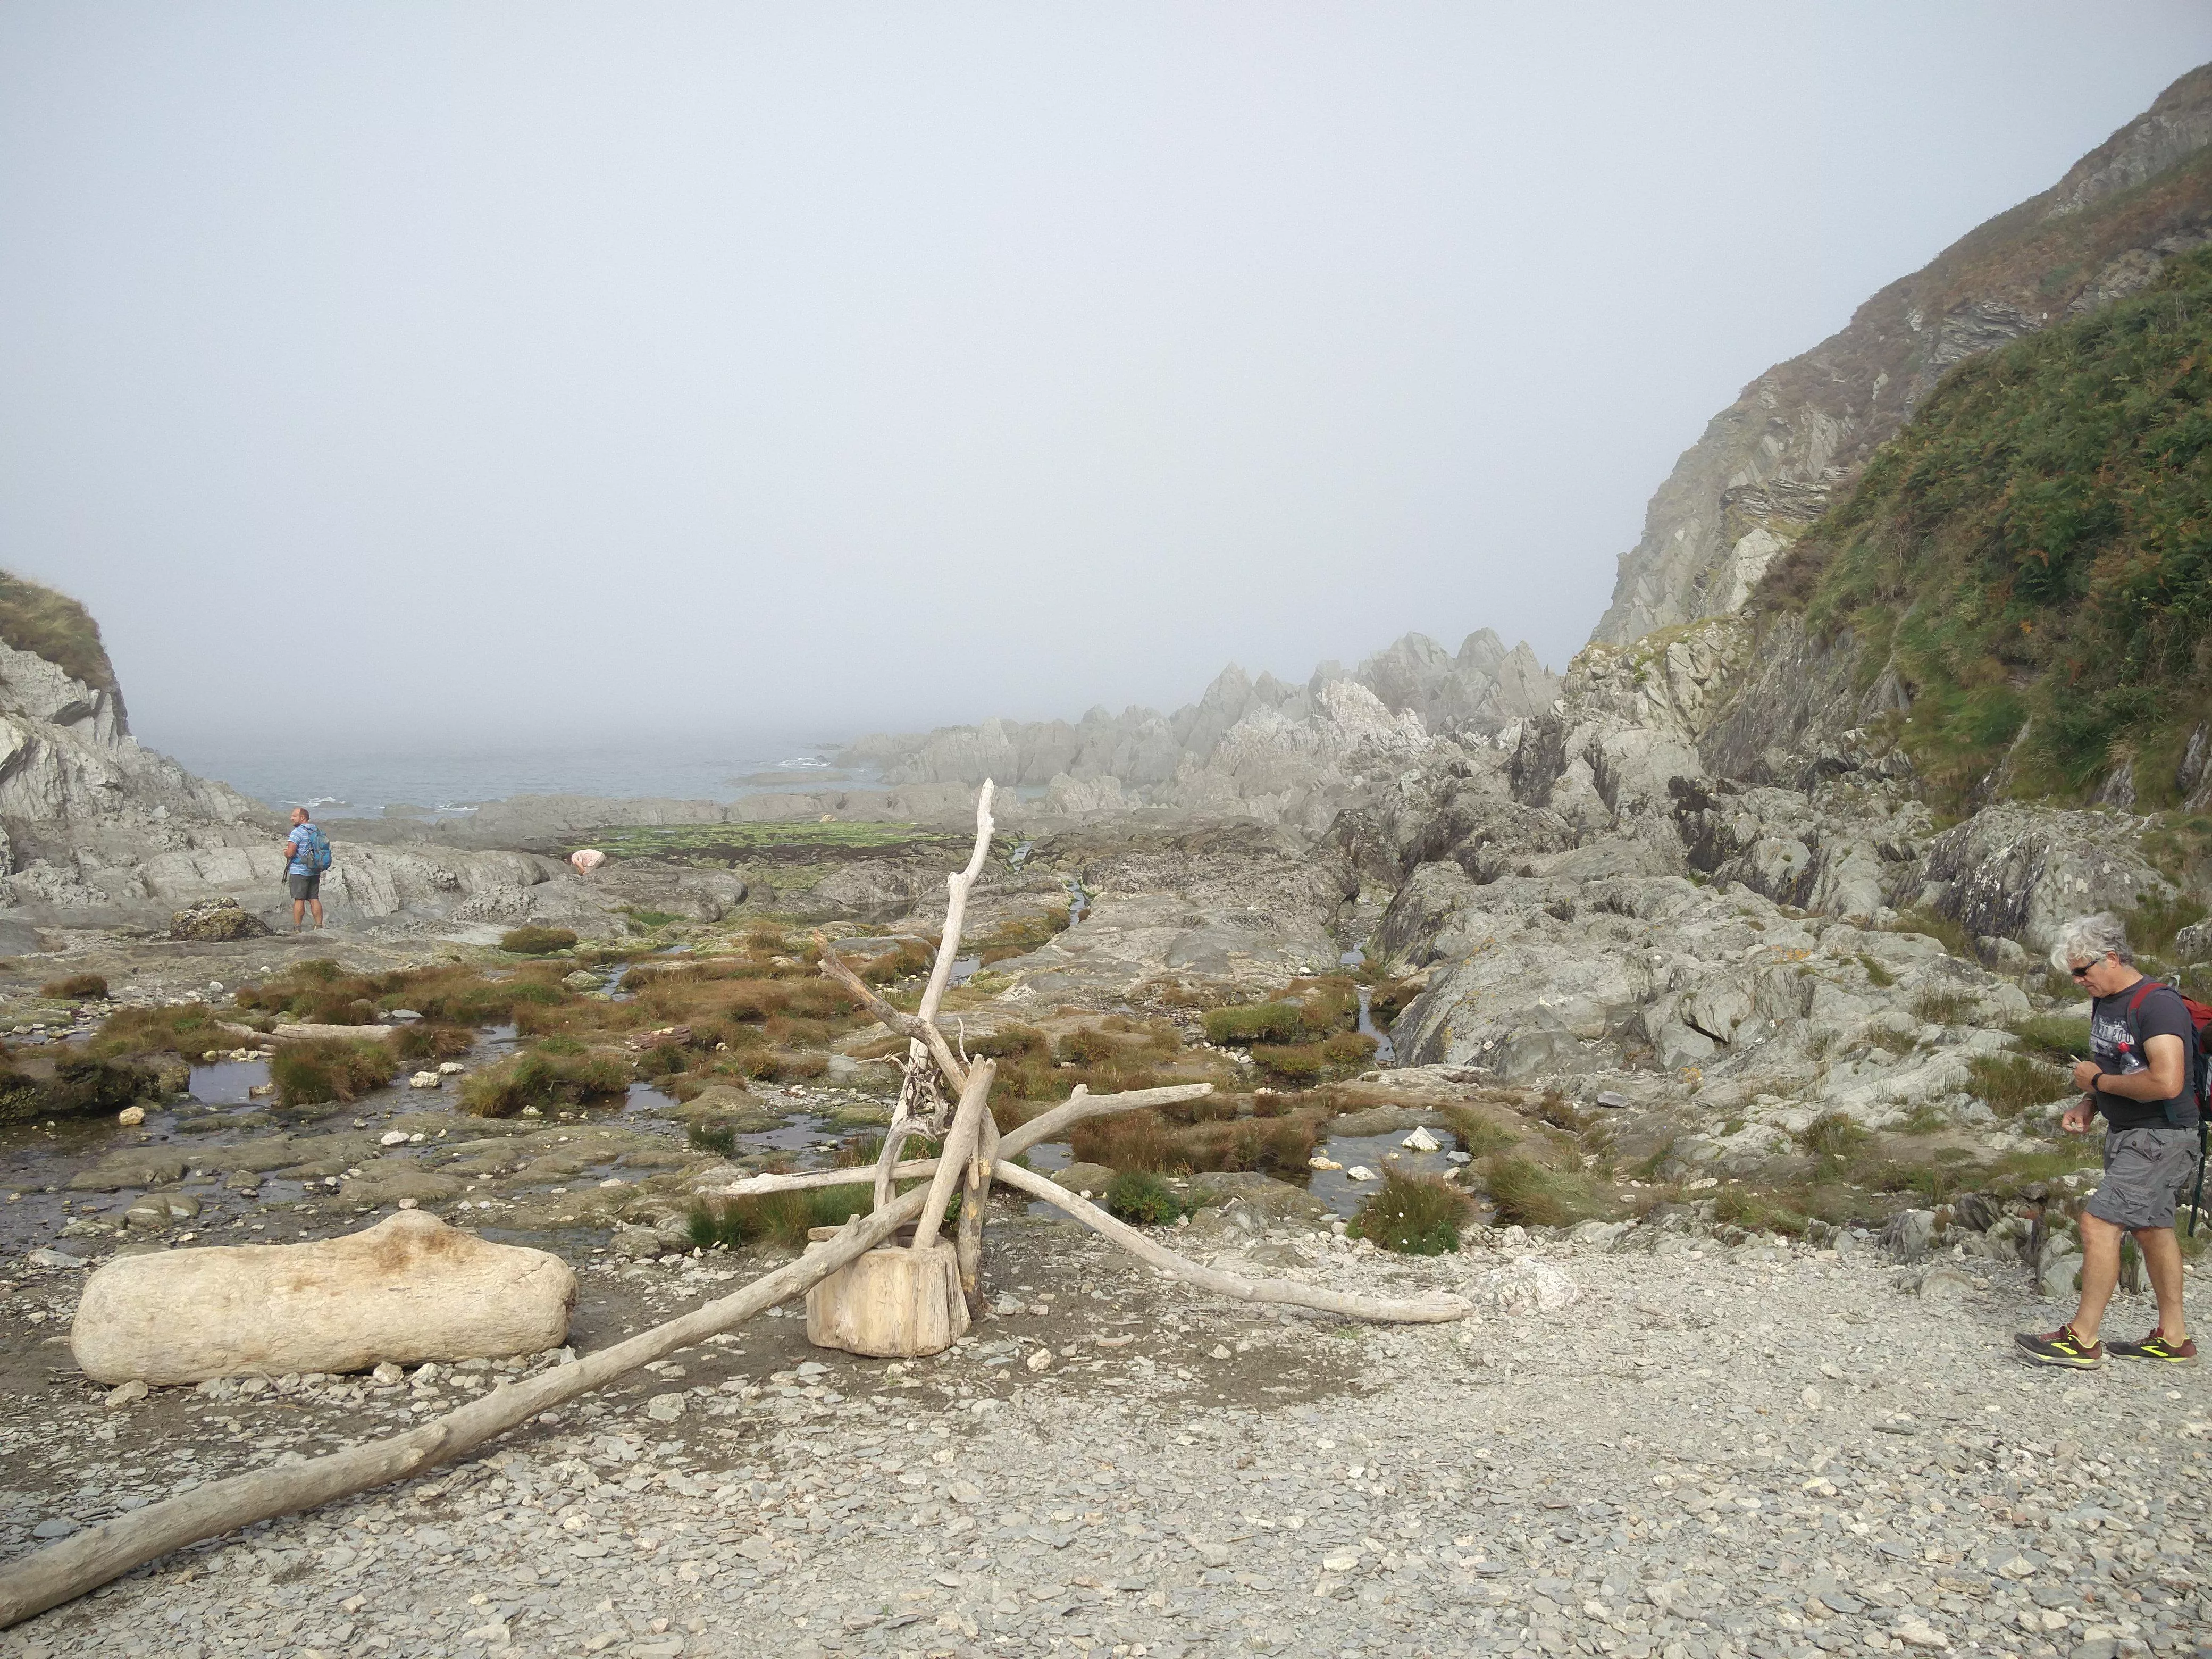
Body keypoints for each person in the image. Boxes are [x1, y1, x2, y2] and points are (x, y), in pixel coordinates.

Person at [2015, 913, 2198, 1368]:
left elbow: (2167, 1081)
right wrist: (2089, 1102)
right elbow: (2117, 1066)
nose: (2078, 981)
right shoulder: (2106, 1002)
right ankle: (2174, 1339)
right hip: (2130, 1133)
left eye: (2082, 970)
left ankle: (2082, 1339)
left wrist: (2096, 1081)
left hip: (2161, 1136)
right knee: (2153, 1228)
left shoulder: (2158, 1005)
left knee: (2098, 1223)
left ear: (2112, 958)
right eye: (2073, 973)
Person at [281, 806, 328, 933]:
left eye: (294, 816)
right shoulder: (316, 830)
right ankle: (319, 926)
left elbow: (290, 853)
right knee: (314, 898)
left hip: (299, 871)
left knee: (299, 899)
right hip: (314, 870)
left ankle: (297, 929)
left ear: (302, 818)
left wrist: (286, 853)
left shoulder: (297, 832)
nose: (291, 818)